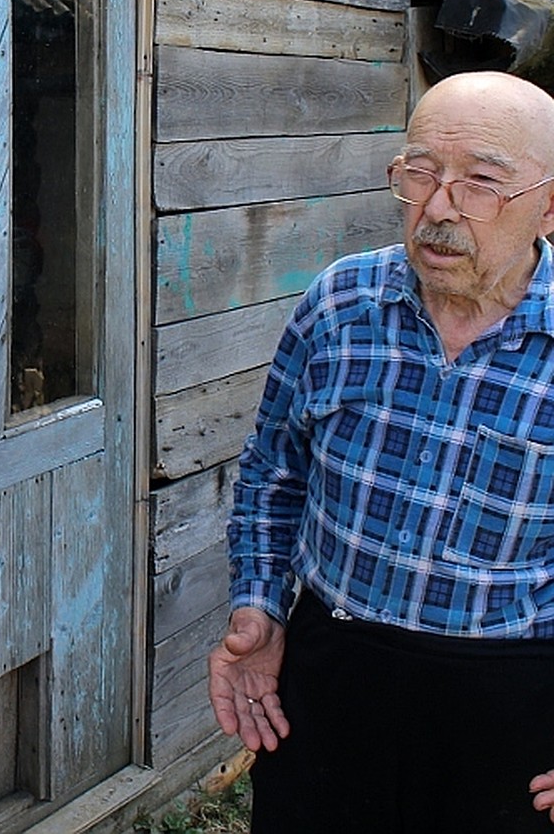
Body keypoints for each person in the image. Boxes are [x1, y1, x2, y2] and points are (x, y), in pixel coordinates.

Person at [209, 70, 554, 832]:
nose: (437, 207)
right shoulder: (340, 303)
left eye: (481, 183)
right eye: (420, 172)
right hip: (331, 673)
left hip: (512, 700)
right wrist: (260, 609)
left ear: (550, 204)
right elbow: (274, 474)